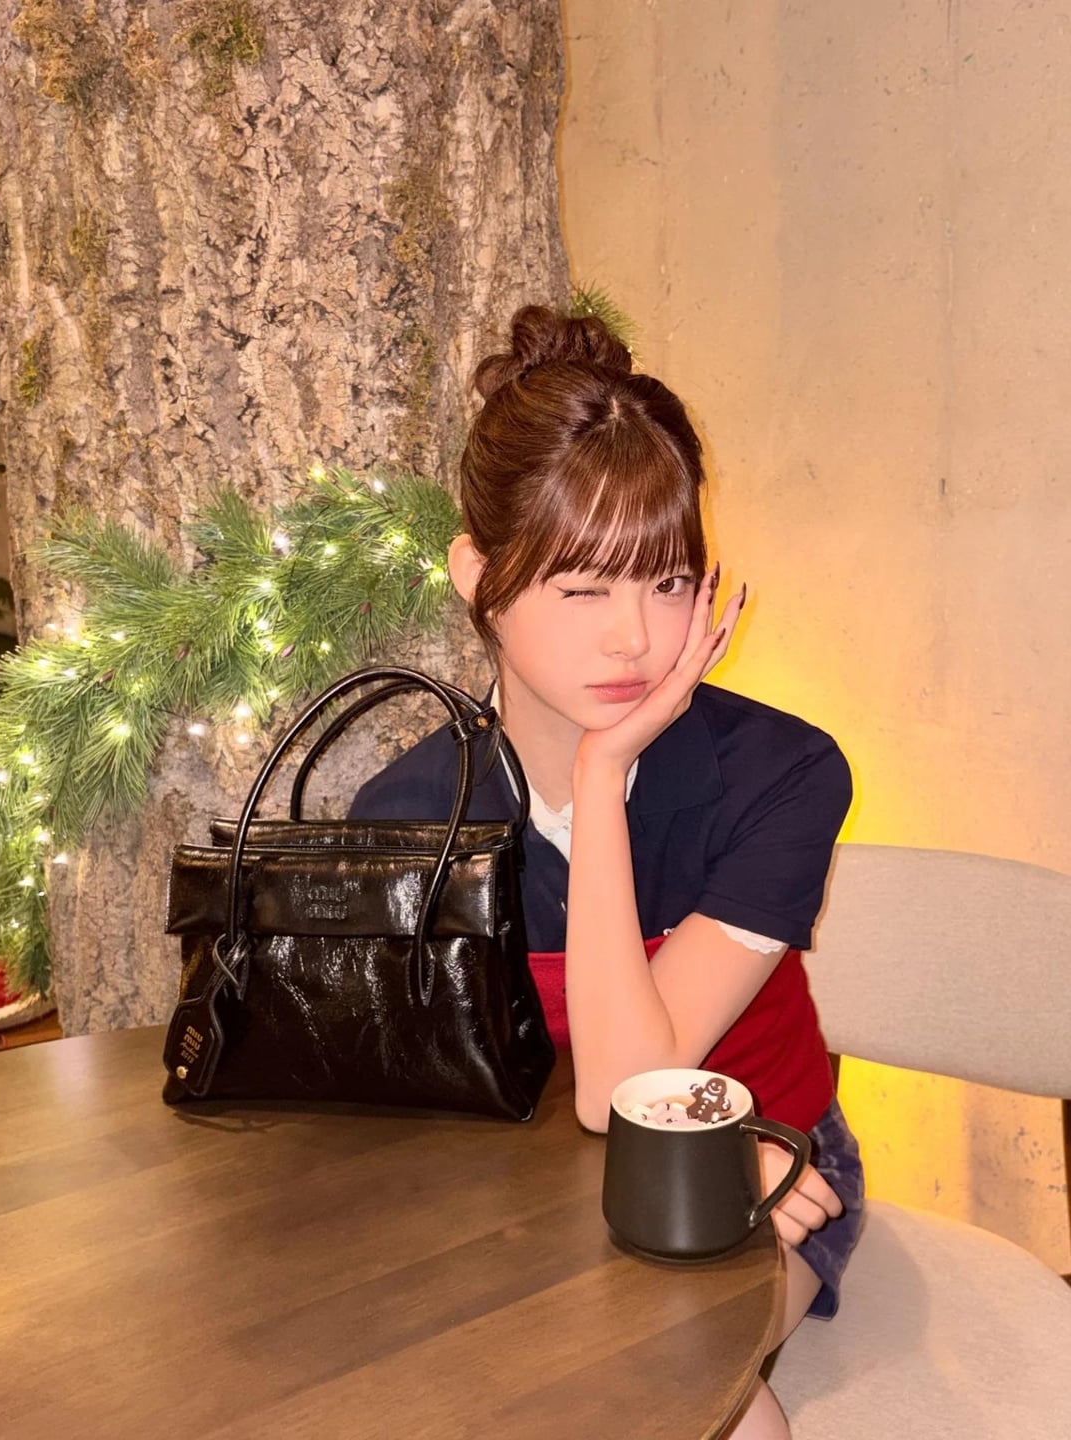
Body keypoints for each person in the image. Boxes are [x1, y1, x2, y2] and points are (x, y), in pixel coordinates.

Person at [349, 304, 864, 1438]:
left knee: (664, 1385)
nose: (634, 636)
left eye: (669, 583)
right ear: (478, 575)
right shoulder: (407, 815)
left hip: (765, 1167)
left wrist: (598, 776)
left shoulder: (781, 775)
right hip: (528, 1199)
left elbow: (625, 1085)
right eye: (584, 589)